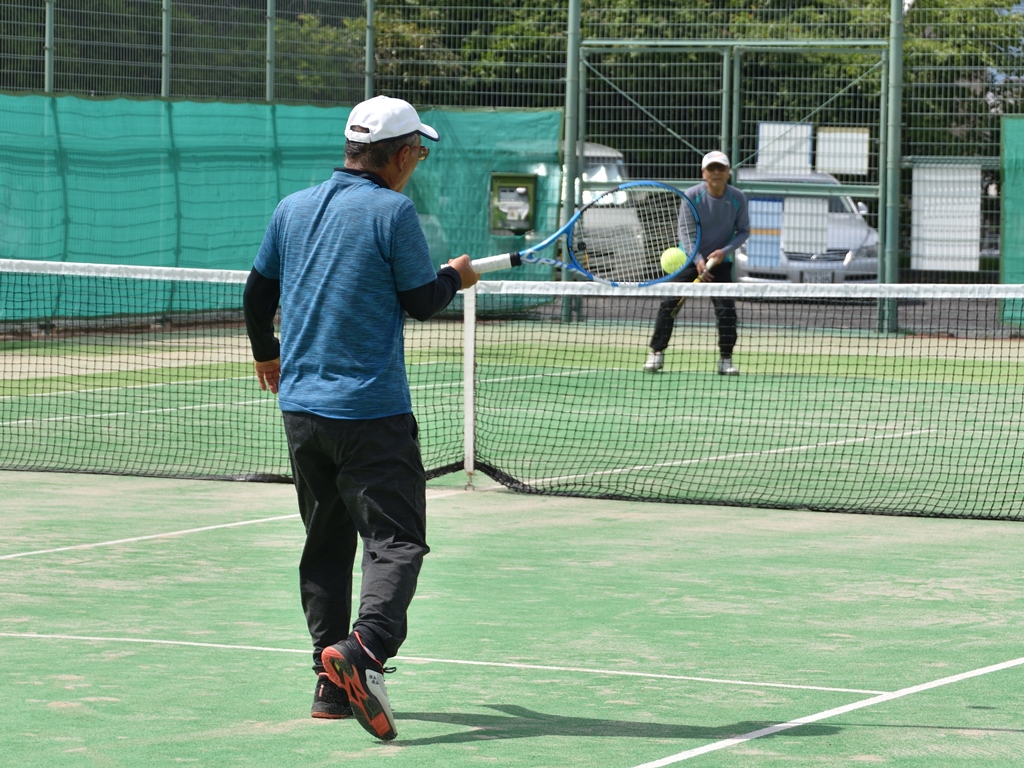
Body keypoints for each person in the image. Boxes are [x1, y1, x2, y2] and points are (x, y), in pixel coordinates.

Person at [242, 95, 479, 741]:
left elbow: (257, 293)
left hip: (302, 413)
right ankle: (364, 649)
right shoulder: (394, 212)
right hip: (371, 414)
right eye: (419, 152)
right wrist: (455, 276)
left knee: (325, 543)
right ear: (400, 155)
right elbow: (421, 300)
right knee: (397, 541)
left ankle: (328, 685)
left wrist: (267, 353)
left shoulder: (293, 207)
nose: (418, 162)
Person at [644, 150, 749, 375]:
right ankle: (656, 353)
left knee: (727, 311)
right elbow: (685, 231)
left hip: (720, 262)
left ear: (728, 173)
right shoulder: (691, 195)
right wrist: (698, 259)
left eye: (721, 168)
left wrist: (723, 252)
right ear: (703, 173)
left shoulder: (737, 197)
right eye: (711, 168)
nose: (716, 172)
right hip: (690, 259)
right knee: (669, 304)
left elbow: (743, 231)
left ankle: (725, 359)